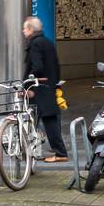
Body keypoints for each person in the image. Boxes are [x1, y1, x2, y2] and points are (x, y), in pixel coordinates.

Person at [22, 16, 68, 162]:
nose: (23, 31)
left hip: (39, 89)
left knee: (42, 121)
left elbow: (37, 67)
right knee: (49, 121)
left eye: (24, 28)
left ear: (30, 29)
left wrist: (27, 82)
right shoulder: (47, 42)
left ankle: (59, 154)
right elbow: (56, 65)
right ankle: (54, 152)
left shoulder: (35, 44)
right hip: (48, 86)